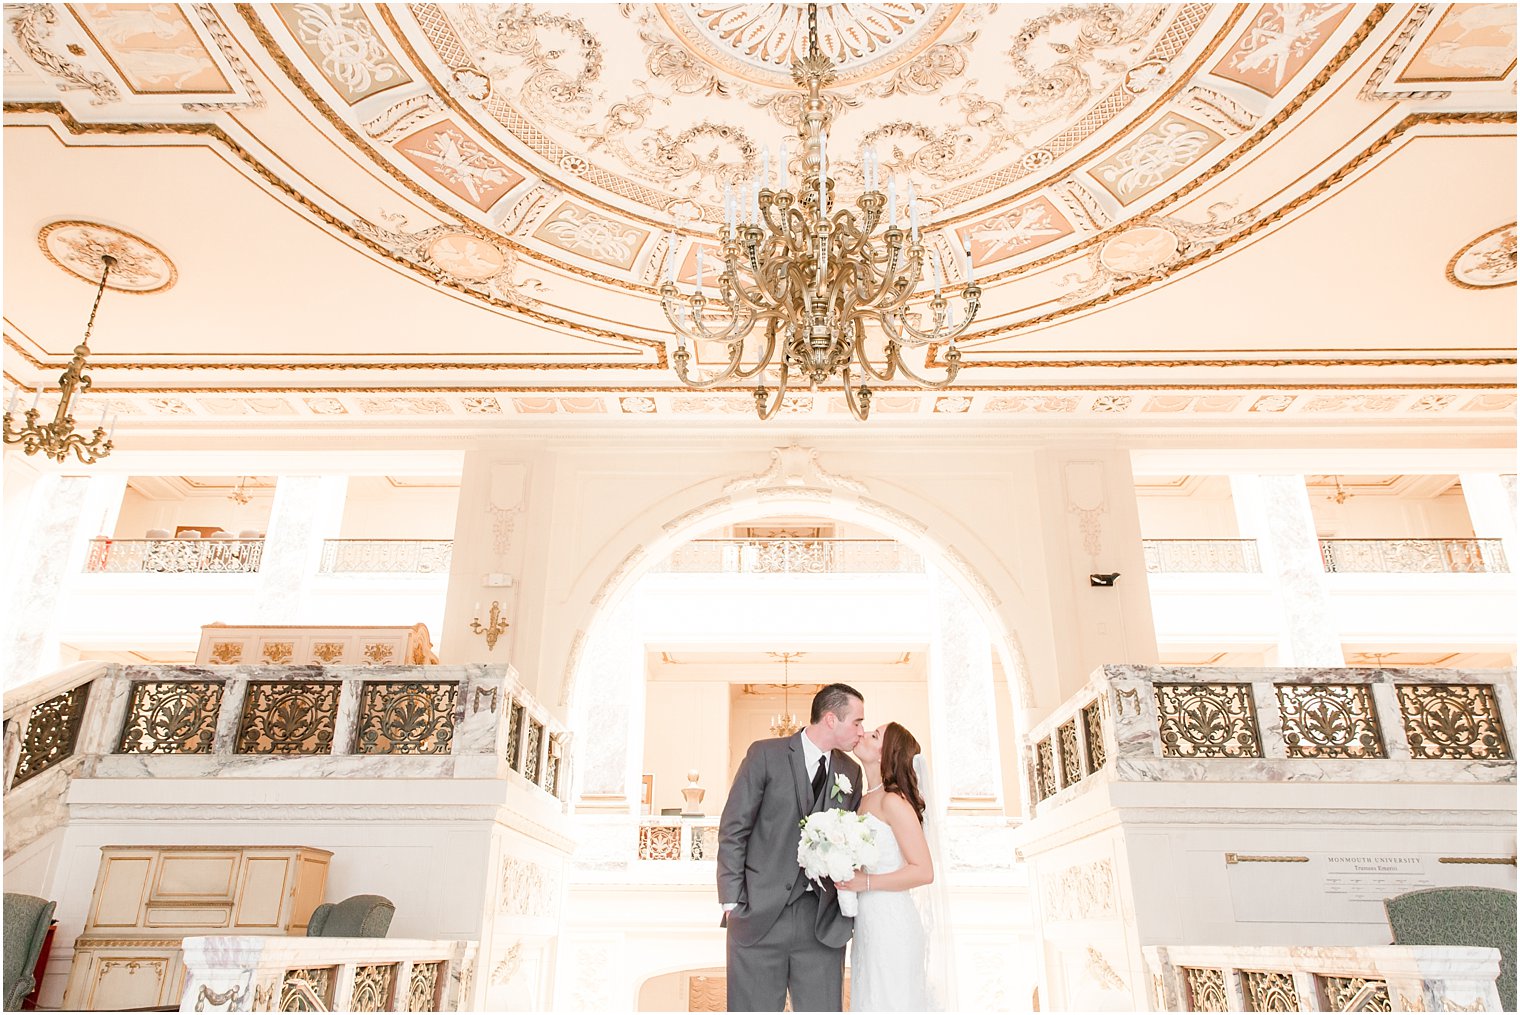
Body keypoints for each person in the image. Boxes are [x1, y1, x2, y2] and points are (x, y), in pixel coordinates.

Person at [718, 683, 866, 1011]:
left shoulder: (850, 771)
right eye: (856, 722)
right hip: (758, 913)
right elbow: (734, 829)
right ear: (831, 719)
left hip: (821, 922)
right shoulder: (764, 754)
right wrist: (732, 901)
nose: (861, 730)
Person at [836, 722, 944, 1012]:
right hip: (868, 922)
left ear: (887, 754)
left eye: (874, 735)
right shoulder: (862, 799)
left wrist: (866, 883)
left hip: (892, 923)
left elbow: (923, 870)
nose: (863, 734)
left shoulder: (894, 801)